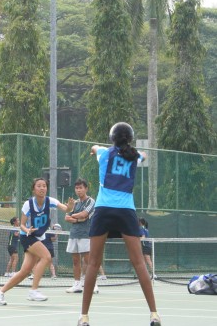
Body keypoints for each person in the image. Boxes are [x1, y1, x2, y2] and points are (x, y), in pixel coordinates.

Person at [77, 122, 161, 326]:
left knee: (93, 264)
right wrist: (137, 152)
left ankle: (84, 317)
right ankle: (154, 314)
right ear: (129, 139)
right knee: (139, 262)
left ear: (112, 138)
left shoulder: (105, 154)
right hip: (126, 212)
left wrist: (93, 149)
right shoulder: (134, 157)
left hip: (104, 211)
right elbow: (144, 155)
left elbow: (96, 148)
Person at [0, 177, 75, 305]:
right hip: (27, 236)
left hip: (38, 237)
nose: (42, 188)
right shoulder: (28, 204)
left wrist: (69, 207)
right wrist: (27, 230)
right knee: (46, 257)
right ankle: (33, 290)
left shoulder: (50, 201)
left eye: (44, 186)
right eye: (39, 186)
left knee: (25, 271)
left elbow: (66, 209)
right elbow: (22, 225)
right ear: (34, 189)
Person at [65, 178, 97, 294]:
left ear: (86, 188)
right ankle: (77, 284)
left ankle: (92, 284)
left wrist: (74, 216)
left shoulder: (91, 201)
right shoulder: (75, 203)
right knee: (75, 260)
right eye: (76, 188)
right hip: (74, 234)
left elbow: (85, 214)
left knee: (87, 260)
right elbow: (66, 217)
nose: (78, 190)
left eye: (81, 188)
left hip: (86, 234)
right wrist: (78, 219)